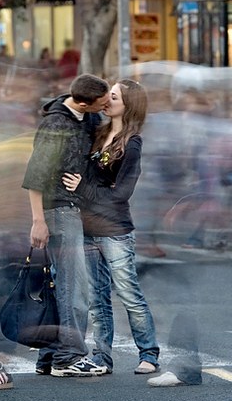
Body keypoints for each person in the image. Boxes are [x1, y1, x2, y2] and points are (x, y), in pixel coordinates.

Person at [62, 78, 160, 375]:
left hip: (115, 231)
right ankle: (101, 357)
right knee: (96, 299)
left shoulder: (132, 143)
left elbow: (121, 194)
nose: (107, 100)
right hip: (87, 227)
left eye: (113, 96)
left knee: (129, 293)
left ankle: (149, 354)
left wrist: (84, 189)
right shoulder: (97, 130)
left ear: (127, 105)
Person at [22, 72, 111, 377]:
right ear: (85, 104)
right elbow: (35, 175)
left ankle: (50, 354)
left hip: (71, 209)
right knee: (74, 287)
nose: (106, 105)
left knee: (63, 284)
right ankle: (69, 356)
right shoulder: (56, 124)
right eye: (102, 102)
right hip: (57, 210)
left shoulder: (85, 118)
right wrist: (37, 221)